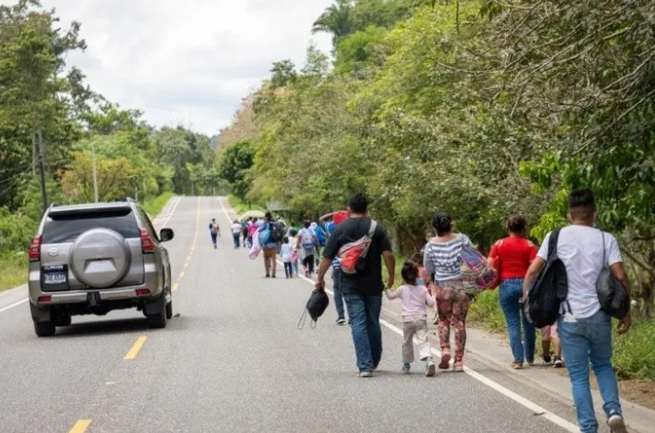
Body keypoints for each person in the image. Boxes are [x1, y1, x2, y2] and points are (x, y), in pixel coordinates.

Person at [523, 189, 631, 433]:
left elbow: (532, 271)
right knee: (603, 365)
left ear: (569, 215)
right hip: (600, 315)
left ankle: (588, 427)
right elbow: (621, 277)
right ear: (594, 214)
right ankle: (613, 412)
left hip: (569, 316)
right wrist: (626, 312)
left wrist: (527, 300)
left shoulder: (554, 236)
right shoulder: (606, 238)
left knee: (579, 375)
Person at [316, 194, 395, 378]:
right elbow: (388, 254)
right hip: (374, 284)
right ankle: (374, 361)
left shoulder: (340, 229)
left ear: (348, 209)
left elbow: (327, 257)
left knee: (358, 323)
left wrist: (319, 278)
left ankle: (365, 366)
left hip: (350, 284)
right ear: (367, 209)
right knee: (373, 322)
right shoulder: (377, 228)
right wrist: (391, 275)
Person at [423, 212, 472, 372]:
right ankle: (458, 361)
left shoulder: (430, 245)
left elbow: (428, 272)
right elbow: (474, 259)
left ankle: (444, 349)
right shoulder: (462, 239)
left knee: (443, 320)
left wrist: (428, 287)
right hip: (461, 287)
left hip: (443, 287)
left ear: (434, 228)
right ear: (450, 224)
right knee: (459, 323)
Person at [488, 215, 539, 369]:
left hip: (507, 285)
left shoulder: (499, 244)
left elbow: (489, 265)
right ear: (524, 228)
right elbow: (536, 268)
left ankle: (518, 360)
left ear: (507, 228)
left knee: (512, 323)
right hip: (526, 285)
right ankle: (530, 357)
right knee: (529, 321)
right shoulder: (530, 245)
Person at [385, 261, 436, 376]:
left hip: (407, 320)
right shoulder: (423, 288)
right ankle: (428, 361)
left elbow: (390, 296)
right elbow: (431, 303)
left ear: (403, 276)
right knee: (423, 341)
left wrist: (386, 286)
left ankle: (406, 364)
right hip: (421, 319)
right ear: (417, 275)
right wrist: (432, 292)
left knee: (407, 343)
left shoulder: (402, 289)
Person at [259, 211, 279, 278]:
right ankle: (273, 273)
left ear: (266, 217)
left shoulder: (265, 224)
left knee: (266, 259)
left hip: (266, 245)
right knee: (274, 260)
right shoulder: (274, 223)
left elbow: (260, 231)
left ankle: (267, 273)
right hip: (274, 244)